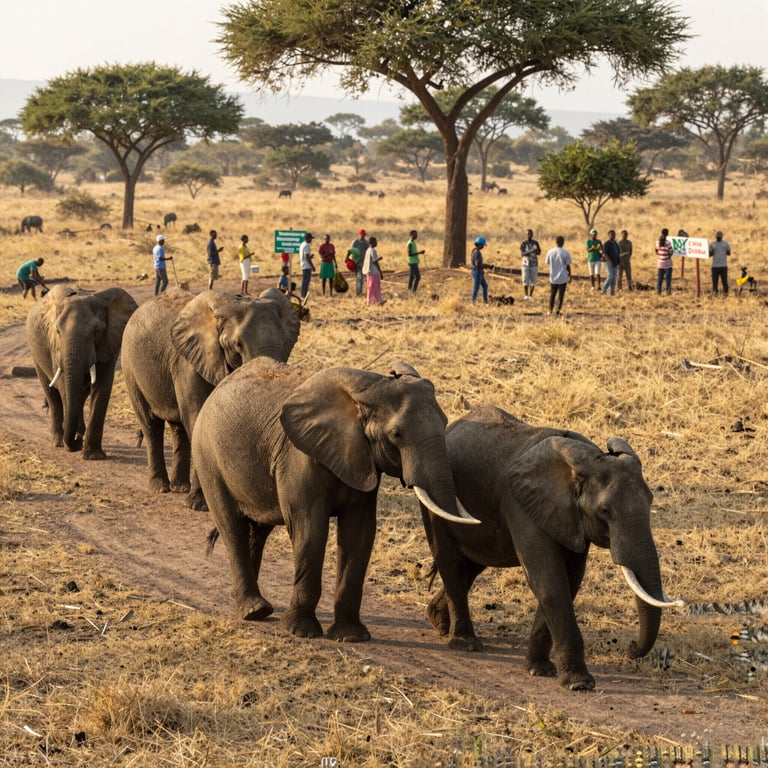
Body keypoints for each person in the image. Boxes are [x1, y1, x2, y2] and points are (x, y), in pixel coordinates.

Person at [545, 235, 572, 315]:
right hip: (563, 277)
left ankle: (550, 310)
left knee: (552, 294)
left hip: (553, 276)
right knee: (561, 295)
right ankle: (558, 310)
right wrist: (570, 275)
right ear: (563, 243)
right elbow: (568, 265)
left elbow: (547, 262)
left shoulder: (550, 252)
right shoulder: (565, 252)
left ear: (556, 242)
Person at [363, 235, 384, 305]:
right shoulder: (373, 251)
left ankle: (372, 301)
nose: (376, 243)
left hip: (369, 271)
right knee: (375, 286)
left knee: (370, 286)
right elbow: (375, 262)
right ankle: (377, 300)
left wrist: (378, 259)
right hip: (374, 271)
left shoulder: (368, 250)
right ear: (372, 242)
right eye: (375, 241)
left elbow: (371, 260)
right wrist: (380, 271)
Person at [520, 228, 541, 300]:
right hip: (525, 264)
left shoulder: (536, 243)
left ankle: (530, 295)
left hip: (534, 264)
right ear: (526, 235)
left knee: (533, 280)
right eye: (528, 234)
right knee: (525, 279)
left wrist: (536, 251)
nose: (529, 235)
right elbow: (522, 254)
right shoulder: (523, 243)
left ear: (532, 235)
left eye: (530, 234)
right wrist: (531, 251)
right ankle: (526, 294)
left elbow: (539, 252)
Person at [709, 229, 731, 296]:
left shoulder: (713, 244)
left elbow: (709, 254)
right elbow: (729, 253)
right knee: (723, 280)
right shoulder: (725, 244)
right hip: (722, 265)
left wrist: (714, 252)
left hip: (716, 266)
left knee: (715, 281)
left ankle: (716, 293)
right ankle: (725, 293)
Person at [349, 228, 369, 296]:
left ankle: (360, 291)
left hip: (364, 263)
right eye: (362, 235)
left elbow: (368, 252)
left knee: (362, 279)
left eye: (364, 235)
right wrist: (351, 261)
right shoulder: (355, 242)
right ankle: (358, 293)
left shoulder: (366, 243)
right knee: (359, 278)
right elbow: (351, 251)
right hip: (356, 263)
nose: (363, 236)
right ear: (359, 234)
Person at [470, 236, 489, 305]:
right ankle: (473, 302)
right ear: (480, 244)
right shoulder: (477, 252)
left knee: (485, 286)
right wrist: (487, 266)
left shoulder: (474, 250)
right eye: (483, 245)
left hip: (479, 272)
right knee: (476, 288)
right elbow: (478, 265)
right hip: (477, 272)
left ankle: (485, 302)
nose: (483, 247)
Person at [601, 229, 620, 296]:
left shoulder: (615, 243)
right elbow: (605, 254)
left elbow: (618, 253)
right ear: (608, 235)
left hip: (615, 262)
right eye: (611, 235)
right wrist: (611, 262)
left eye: (614, 235)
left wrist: (618, 262)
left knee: (614, 278)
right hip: (608, 262)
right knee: (610, 276)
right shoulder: (606, 244)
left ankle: (612, 292)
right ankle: (603, 290)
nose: (613, 236)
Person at [655, 228, 674, 295]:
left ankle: (658, 292)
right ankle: (668, 292)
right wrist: (668, 256)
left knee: (660, 279)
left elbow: (656, 251)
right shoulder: (668, 243)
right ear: (667, 234)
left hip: (660, 263)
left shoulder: (657, 242)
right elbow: (671, 252)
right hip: (667, 263)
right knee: (668, 279)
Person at [299, 232, 315, 299]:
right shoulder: (306, 245)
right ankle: (303, 295)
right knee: (306, 282)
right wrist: (312, 266)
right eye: (310, 238)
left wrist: (310, 257)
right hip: (307, 266)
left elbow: (306, 256)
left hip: (303, 265)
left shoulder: (302, 244)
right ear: (308, 238)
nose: (311, 240)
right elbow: (306, 256)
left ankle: (302, 295)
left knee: (304, 281)